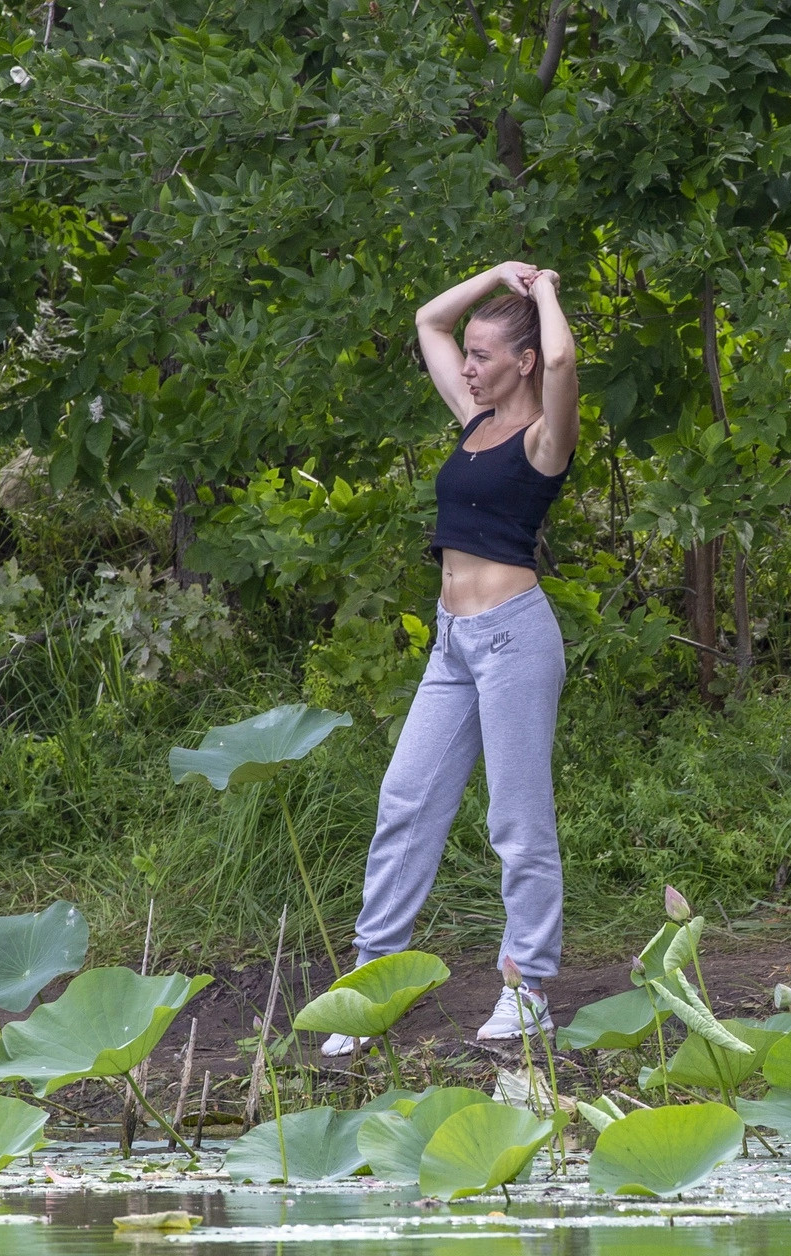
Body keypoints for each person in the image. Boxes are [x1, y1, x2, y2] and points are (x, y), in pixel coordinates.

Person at [324, 262, 578, 1056]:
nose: (466, 366)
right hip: (452, 643)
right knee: (404, 801)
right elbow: (428, 324)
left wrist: (544, 294)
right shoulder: (475, 418)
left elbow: (567, 362)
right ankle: (368, 990)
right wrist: (495, 276)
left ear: (524, 361)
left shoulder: (544, 437)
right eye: (468, 356)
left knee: (518, 823)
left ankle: (527, 988)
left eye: (484, 355)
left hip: (514, 639)